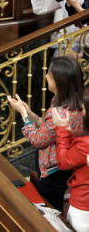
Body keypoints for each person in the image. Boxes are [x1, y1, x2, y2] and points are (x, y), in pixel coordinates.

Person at [7, 56, 84, 213]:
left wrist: (23, 115)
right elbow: (50, 130)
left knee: (52, 211)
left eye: (49, 73)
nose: (46, 76)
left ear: (59, 80)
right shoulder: (74, 104)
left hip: (53, 173)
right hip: (65, 167)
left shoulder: (60, 111)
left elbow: (38, 139)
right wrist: (30, 114)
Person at [52, 90, 89, 231]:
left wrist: (61, 131)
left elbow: (62, 162)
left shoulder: (86, 144)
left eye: (84, 108)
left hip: (83, 208)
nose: (82, 112)